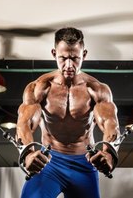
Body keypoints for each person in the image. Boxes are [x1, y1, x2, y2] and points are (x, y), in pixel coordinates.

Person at [16, 27, 120, 198]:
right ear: (53, 53)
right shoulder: (39, 87)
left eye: (75, 58)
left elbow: (110, 123)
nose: (69, 65)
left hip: (85, 164)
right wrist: (27, 154)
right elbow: (24, 123)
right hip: (49, 163)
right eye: (63, 58)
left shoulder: (97, 89)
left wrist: (109, 154)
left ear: (84, 54)